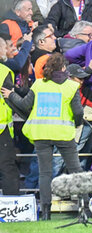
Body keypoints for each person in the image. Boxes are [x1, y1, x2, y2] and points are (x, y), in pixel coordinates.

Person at [1, 53, 84, 220]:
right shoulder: (71, 86)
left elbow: (25, 105)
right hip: (63, 134)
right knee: (76, 171)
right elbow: (78, 112)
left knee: (45, 173)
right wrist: (76, 124)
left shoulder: (39, 85)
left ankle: (45, 212)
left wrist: (11, 95)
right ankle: (85, 208)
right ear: (63, 68)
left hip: (41, 134)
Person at [0, 37, 20, 196]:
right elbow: (9, 98)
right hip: (2, 129)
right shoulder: (4, 71)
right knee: (7, 167)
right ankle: (12, 206)